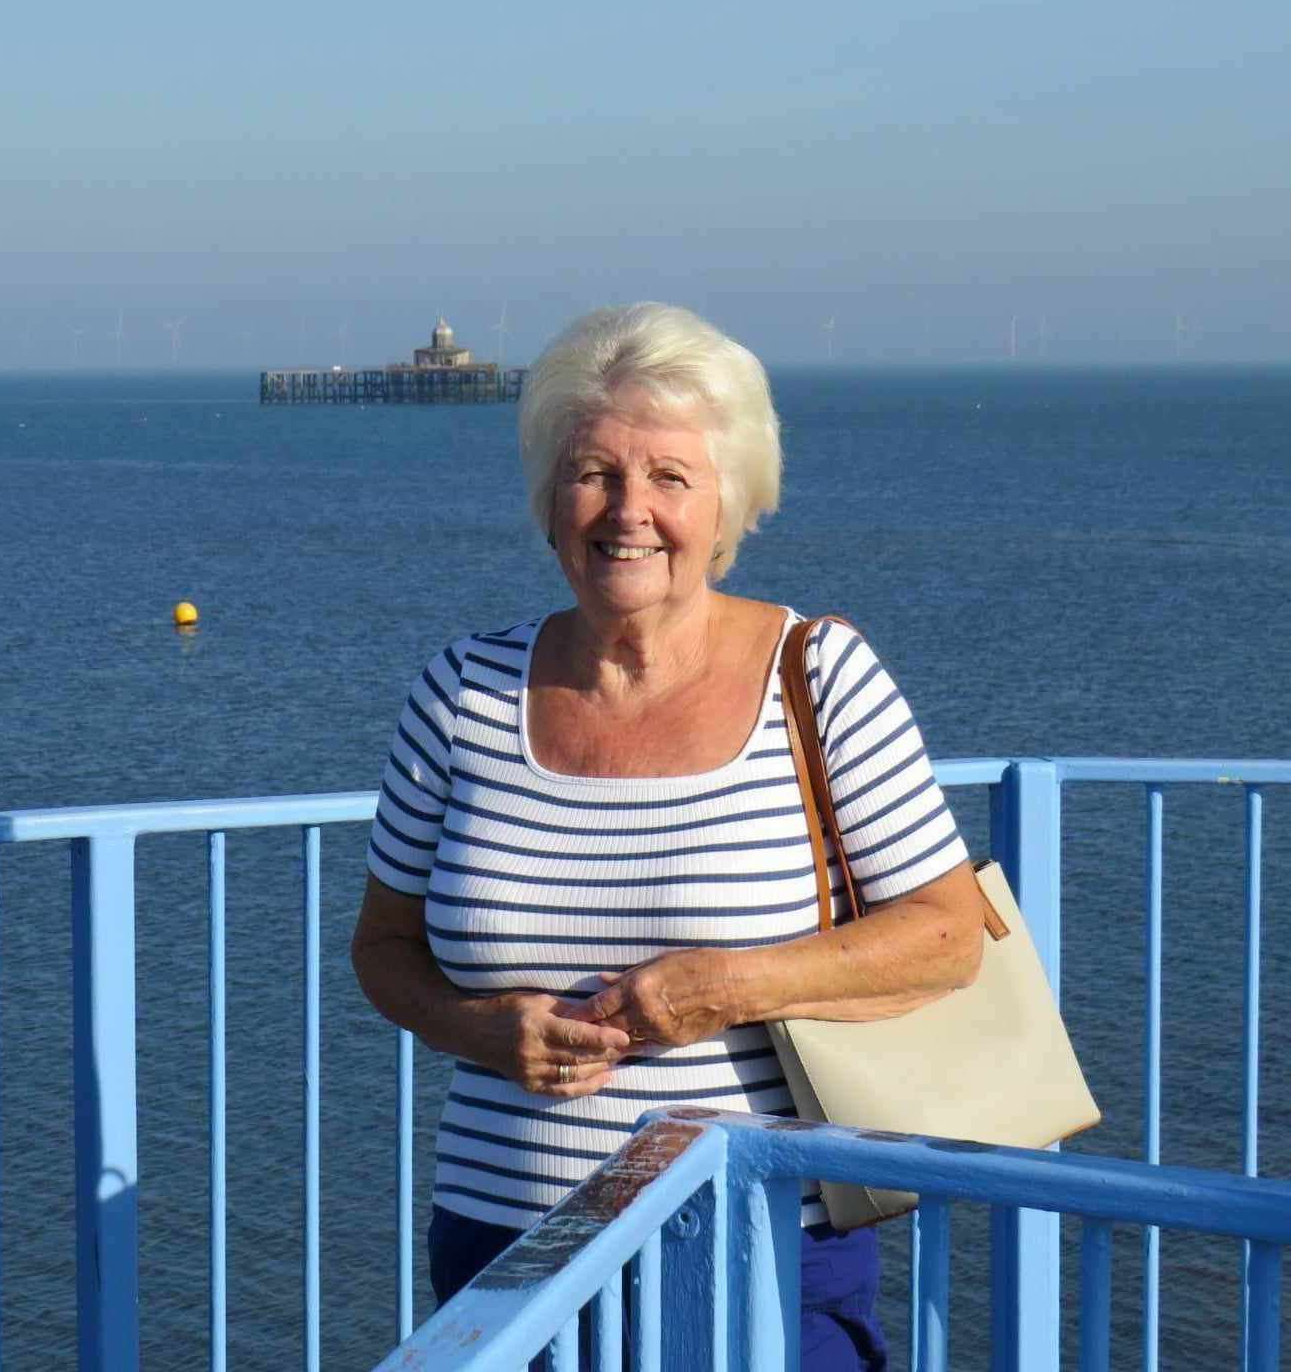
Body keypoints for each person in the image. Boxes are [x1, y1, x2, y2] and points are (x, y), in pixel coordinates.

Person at [351, 303, 986, 1370]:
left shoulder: (818, 678)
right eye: (593, 472)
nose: (626, 511)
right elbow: (383, 951)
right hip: (504, 1260)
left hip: (759, 1242)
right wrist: (481, 1030)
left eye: (669, 479)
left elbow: (946, 937)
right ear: (550, 500)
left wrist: (726, 988)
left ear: (730, 504)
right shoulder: (462, 690)